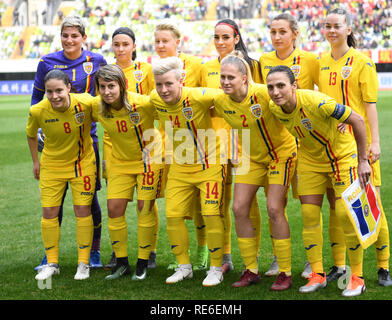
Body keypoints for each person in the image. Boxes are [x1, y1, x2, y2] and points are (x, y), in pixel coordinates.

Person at [266, 65, 371, 297]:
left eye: (281, 85)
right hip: (310, 162)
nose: (275, 92)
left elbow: (358, 120)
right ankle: (318, 274)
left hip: (342, 158)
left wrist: (363, 160)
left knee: (346, 214)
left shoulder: (317, 102)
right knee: (310, 216)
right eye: (271, 87)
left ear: (294, 86)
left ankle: (357, 278)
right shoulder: (275, 107)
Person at [319, 8, 392, 286]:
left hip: (360, 147)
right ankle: (339, 265)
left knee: (373, 207)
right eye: (327, 26)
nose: (331, 31)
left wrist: (374, 143)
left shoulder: (362, 62)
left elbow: (370, 107)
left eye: (337, 26)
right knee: (339, 208)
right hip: (334, 149)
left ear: (349, 29)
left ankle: (383, 267)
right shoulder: (322, 62)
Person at [213, 52, 297, 290]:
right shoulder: (220, 101)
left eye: (231, 77)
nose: (226, 82)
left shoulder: (264, 93)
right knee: (239, 208)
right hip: (251, 158)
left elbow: (296, 103)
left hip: (281, 156)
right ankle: (251, 270)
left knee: (274, 208)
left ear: (244, 78)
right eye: (223, 77)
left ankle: (285, 272)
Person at [31, 15, 106, 270]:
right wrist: (41, 128)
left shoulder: (96, 61)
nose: (69, 40)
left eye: (75, 35)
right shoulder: (47, 62)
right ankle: (50, 255)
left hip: (87, 138)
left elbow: (103, 97)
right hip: (53, 137)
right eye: (65, 35)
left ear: (84, 38)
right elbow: (36, 99)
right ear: (60, 36)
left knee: (89, 199)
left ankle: (93, 251)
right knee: (55, 199)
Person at [259, 12, 326, 278]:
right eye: (273, 32)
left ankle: (313, 262)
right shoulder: (263, 61)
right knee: (276, 205)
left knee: (311, 205)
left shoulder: (310, 60)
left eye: (282, 32)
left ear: (295, 34)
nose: (277, 37)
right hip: (275, 146)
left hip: (309, 145)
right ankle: (278, 258)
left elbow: (323, 97)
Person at [150, 56, 226, 287]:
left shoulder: (200, 96)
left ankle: (215, 268)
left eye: (168, 84)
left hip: (210, 166)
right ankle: (184, 267)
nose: (163, 90)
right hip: (180, 168)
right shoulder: (155, 99)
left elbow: (232, 96)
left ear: (181, 79)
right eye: (159, 84)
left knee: (211, 214)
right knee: (173, 215)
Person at [200, 18, 262, 274]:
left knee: (249, 202)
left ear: (236, 38)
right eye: (216, 37)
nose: (220, 42)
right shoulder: (206, 67)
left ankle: (255, 258)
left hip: (247, 141)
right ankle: (225, 257)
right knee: (221, 200)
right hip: (216, 142)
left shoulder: (252, 66)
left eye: (225, 37)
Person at [92, 64, 164, 280]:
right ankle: (122, 263)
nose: (107, 92)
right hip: (120, 163)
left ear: (122, 85)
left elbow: (170, 111)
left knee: (144, 208)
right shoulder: (96, 106)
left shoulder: (143, 103)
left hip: (148, 162)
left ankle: (143, 261)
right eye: (102, 87)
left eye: (111, 86)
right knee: (114, 209)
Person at [27, 70, 96, 281]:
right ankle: (52, 263)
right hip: (52, 166)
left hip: (82, 164)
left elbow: (108, 116)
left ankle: (83, 263)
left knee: (82, 208)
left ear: (68, 87)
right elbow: (30, 135)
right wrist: (35, 162)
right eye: (49, 92)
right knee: (49, 211)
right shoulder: (38, 110)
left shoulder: (85, 102)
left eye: (58, 90)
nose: (54, 96)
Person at [154, 22, 209, 271]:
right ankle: (182, 258)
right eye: (157, 41)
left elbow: (209, 99)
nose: (161, 45)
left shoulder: (195, 65)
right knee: (176, 204)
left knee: (200, 204)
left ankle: (203, 252)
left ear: (178, 42)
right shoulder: (153, 68)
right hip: (169, 145)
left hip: (201, 143)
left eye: (165, 40)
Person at [103, 27, 159, 270]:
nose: (121, 48)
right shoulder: (104, 75)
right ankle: (120, 255)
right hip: (118, 148)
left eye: (126, 44)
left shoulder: (145, 70)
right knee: (115, 205)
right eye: (117, 44)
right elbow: (102, 116)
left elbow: (156, 105)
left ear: (134, 46)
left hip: (145, 144)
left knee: (144, 204)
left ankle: (150, 252)